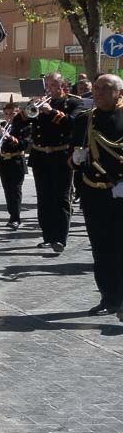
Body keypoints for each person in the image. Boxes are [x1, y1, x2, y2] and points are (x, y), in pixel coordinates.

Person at [71, 74, 123, 316]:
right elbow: (74, 157)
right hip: (94, 193)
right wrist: (74, 160)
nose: (99, 92)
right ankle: (109, 297)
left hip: (121, 192)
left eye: (106, 88)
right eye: (97, 88)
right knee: (101, 248)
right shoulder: (85, 120)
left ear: (119, 93)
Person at [28, 72, 87, 253]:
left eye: (52, 85)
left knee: (61, 197)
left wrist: (52, 112)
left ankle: (60, 238)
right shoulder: (41, 102)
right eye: (47, 85)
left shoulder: (75, 102)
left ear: (63, 87)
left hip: (61, 156)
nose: (49, 89)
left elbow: (73, 123)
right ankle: (47, 236)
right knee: (44, 197)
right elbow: (23, 123)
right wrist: (29, 109)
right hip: (40, 156)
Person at [0, 100, 30, 231]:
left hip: (16, 161)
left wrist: (9, 137)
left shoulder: (24, 126)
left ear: (18, 113)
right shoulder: (3, 125)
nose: (9, 116)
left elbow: (24, 144)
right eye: (6, 114)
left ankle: (15, 218)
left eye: (12, 114)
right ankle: (12, 215)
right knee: (7, 191)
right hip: (4, 162)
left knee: (15, 191)